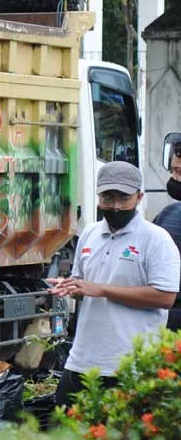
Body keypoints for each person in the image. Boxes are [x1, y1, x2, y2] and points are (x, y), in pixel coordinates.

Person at [51, 161, 180, 407]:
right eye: (108, 198)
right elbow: (83, 284)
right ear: (98, 197)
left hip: (133, 363)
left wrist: (100, 289)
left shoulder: (156, 239)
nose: (116, 206)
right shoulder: (89, 234)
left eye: (124, 198)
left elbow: (165, 297)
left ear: (139, 197)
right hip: (84, 359)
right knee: (65, 434)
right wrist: (71, 287)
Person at [152, 142, 181, 331]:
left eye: (179, 172)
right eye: (173, 170)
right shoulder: (168, 215)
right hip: (166, 324)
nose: (173, 178)